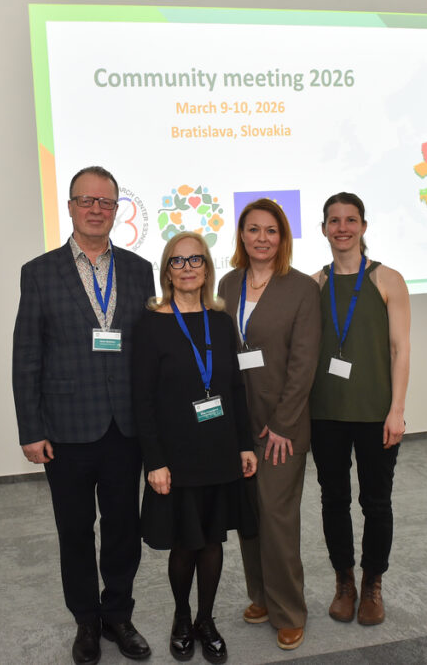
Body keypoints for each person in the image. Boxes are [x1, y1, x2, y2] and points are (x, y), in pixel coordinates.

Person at [12, 166, 155, 665]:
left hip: (125, 428)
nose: (96, 209)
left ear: (117, 210)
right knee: (74, 530)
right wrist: (31, 429)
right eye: (86, 200)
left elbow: (149, 352)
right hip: (66, 430)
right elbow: (27, 355)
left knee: (122, 527)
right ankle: (86, 622)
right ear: (70, 207)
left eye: (106, 202)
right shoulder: (40, 272)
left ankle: (119, 615)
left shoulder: (139, 270)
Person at [132, 231, 258, 664]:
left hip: (220, 450)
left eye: (196, 260)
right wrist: (155, 461)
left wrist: (244, 445)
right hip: (176, 455)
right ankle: (182, 618)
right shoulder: (150, 324)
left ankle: (207, 620)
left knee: (212, 541)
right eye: (178, 261)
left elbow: (234, 389)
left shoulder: (221, 321)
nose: (188, 268)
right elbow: (142, 401)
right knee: (185, 543)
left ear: (208, 267)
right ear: (166, 271)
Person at [216, 198, 320, 651]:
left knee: (277, 519)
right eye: (253, 229)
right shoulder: (226, 282)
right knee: (250, 518)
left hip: (282, 426)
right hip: (239, 422)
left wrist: (283, 424)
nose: (262, 238)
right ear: (241, 235)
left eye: (271, 231)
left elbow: (304, 363)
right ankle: (261, 597)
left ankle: (289, 610)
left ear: (283, 238)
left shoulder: (300, 289)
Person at [309, 192, 411, 626]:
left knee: (376, 502)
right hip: (326, 413)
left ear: (364, 227)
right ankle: (344, 583)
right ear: (324, 229)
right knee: (333, 500)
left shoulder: (387, 280)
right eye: (334, 221)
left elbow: (400, 348)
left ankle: (373, 585)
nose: (343, 228)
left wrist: (397, 410)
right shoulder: (314, 283)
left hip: (375, 414)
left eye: (351, 220)